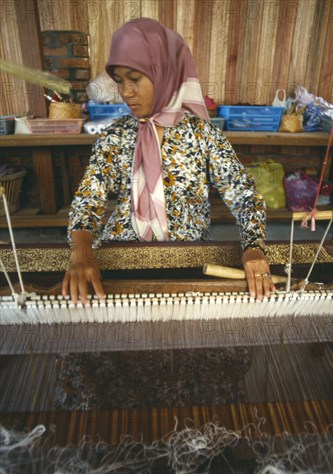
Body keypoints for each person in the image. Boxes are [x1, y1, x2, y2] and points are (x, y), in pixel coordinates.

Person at [62, 18, 275, 304]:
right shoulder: (115, 136)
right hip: (120, 257)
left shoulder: (202, 135)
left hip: (188, 260)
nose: (126, 92)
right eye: (119, 82)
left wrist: (253, 248)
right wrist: (81, 253)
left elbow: (245, 197)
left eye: (134, 79)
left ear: (163, 73)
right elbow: (88, 199)